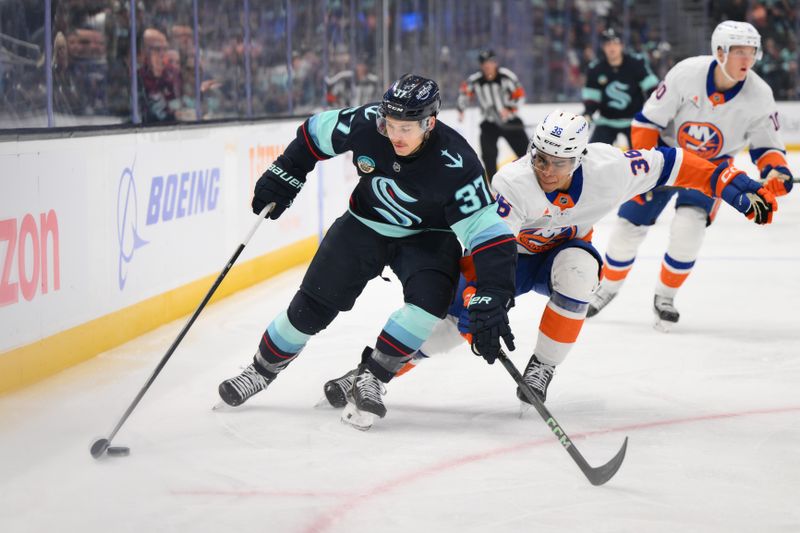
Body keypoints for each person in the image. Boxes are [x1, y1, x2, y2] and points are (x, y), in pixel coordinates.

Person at [324, 109, 777, 407]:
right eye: (539, 157)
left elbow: (678, 162)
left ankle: (541, 369)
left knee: (581, 273)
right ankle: (370, 372)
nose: (545, 169)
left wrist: (735, 188)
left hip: (560, 254)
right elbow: (489, 250)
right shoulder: (511, 184)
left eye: (557, 163)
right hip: (507, 261)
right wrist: (484, 302)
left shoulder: (612, 169)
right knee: (447, 324)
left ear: (579, 160)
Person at [217, 74, 518, 430]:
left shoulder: (458, 163)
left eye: (406, 128)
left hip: (428, 237)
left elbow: (489, 233)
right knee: (310, 308)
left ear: (430, 123)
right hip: (363, 226)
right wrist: (287, 171)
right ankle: (260, 370)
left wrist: (494, 292)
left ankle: (372, 376)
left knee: (429, 306)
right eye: (390, 125)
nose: (395, 135)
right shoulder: (367, 122)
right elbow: (314, 133)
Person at [587, 21, 794, 330]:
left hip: (713, 169)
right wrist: (645, 169)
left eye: (751, 52)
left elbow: (767, 148)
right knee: (626, 227)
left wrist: (776, 171)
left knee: (689, 229)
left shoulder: (760, 94)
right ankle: (607, 288)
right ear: (720, 51)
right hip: (666, 159)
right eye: (739, 52)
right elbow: (646, 123)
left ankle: (665, 297)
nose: (746, 60)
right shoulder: (687, 74)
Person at [457, 49, 529, 180]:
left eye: (490, 62)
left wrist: (509, 108)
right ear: (480, 65)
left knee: (526, 154)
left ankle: (531, 179)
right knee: (488, 156)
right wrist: (461, 110)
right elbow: (464, 93)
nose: (487, 65)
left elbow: (520, 95)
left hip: (510, 122)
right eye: (484, 63)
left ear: (495, 63)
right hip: (489, 123)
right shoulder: (475, 80)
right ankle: (494, 186)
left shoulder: (507, 76)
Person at [582, 28, 660, 146]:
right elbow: (592, 99)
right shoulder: (595, 69)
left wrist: (656, 109)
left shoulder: (636, 64)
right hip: (606, 121)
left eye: (615, 43)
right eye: (608, 44)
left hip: (634, 121)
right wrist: (588, 114)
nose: (612, 48)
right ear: (603, 47)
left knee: (644, 155)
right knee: (593, 155)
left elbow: (653, 89)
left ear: (622, 45)